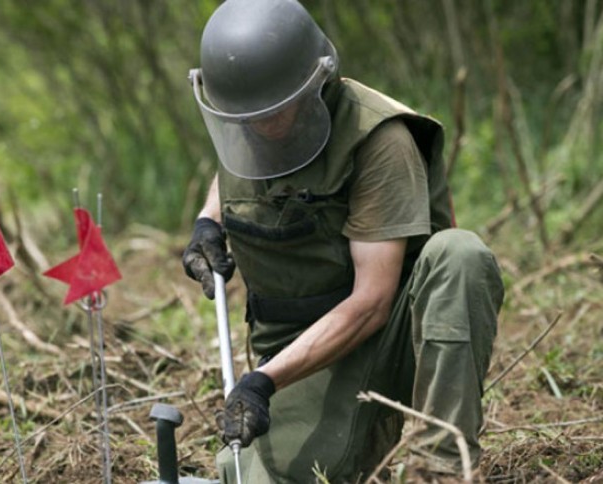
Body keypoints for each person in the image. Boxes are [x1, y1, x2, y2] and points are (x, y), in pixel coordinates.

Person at [181, 0, 505, 482]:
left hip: (385, 337)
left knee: (460, 255)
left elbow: (372, 303)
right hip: (300, 352)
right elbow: (238, 168)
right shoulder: (252, 121)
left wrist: (261, 383)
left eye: (273, 112)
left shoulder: (379, 142)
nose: (260, 128)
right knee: (251, 474)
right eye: (245, 119)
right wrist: (209, 221)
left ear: (316, 82)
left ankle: (441, 467)